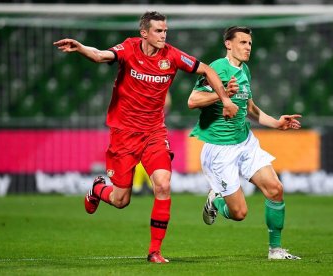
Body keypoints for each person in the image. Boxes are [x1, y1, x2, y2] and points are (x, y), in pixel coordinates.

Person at [53, 11, 238, 264]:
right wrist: (81, 47)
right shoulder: (129, 49)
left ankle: (155, 251)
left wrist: (225, 99)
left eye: (165, 31)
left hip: (154, 133)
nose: (164, 35)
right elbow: (100, 55)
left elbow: (205, 69)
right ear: (144, 33)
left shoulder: (172, 55)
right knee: (121, 200)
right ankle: (98, 188)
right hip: (124, 134)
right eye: (158, 31)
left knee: (162, 184)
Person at [188, 26, 302, 260]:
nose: (248, 47)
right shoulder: (217, 68)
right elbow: (193, 100)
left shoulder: (245, 70)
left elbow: (249, 108)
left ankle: (276, 250)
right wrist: (222, 96)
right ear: (228, 44)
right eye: (242, 43)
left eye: (249, 43)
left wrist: (276, 123)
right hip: (220, 149)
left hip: (245, 142)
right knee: (239, 213)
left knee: (275, 189)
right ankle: (216, 200)